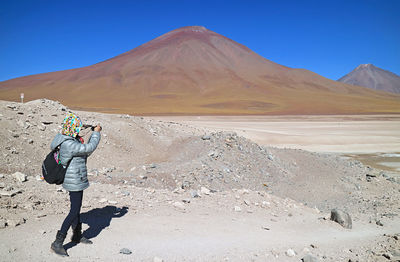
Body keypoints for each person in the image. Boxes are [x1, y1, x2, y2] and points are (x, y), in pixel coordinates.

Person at [49, 113, 101, 257]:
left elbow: (84, 153)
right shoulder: (69, 143)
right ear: (72, 129)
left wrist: (88, 128)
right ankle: (58, 242)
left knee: (76, 208)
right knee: (74, 211)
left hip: (77, 178)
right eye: (77, 128)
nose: (78, 130)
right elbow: (88, 149)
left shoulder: (68, 139)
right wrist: (96, 133)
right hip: (74, 180)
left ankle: (77, 235)